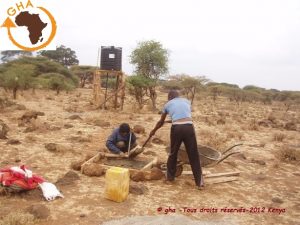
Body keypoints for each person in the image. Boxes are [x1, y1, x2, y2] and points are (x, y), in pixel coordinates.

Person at [150, 90, 204, 189]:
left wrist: (153, 131)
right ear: (178, 96)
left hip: (177, 129)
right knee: (194, 155)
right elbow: (183, 116)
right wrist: (172, 120)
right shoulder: (187, 101)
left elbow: (160, 122)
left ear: (170, 97)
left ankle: (170, 179)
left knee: (173, 153)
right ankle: (200, 183)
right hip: (189, 127)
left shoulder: (168, 104)